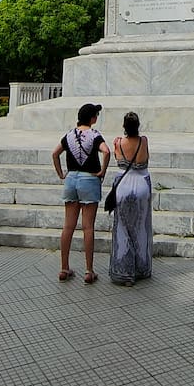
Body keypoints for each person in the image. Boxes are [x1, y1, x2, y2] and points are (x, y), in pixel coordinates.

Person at [52, 103, 110, 285]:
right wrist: (102, 171)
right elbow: (106, 151)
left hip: (71, 179)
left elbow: (55, 153)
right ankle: (89, 270)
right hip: (89, 180)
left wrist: (61, 174)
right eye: (96, 115)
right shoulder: (94, 135)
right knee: (88, 227)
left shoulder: (69, 134)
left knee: (68, 226)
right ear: (92, 118)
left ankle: (64, 268)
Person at [108, 112, 153, 286]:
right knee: (141, 227)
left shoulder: (118, 142)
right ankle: (141, 269)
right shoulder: (144, 141)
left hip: (123, 186)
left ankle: (124, 272)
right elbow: (147, 158)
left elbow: (116, 157)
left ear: (124, 126)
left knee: (122, 228)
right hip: (142, 185)